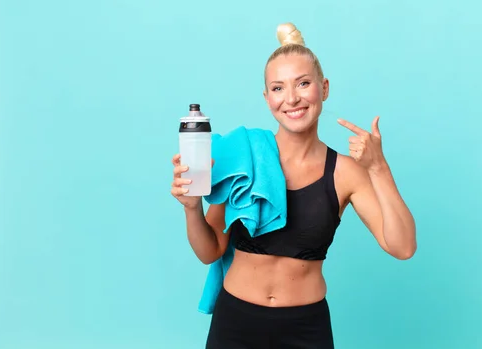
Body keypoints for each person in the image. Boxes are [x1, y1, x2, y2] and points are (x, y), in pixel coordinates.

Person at [170, 23, 416, 349]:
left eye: (303, 83)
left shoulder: (346, 172)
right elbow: (209, 251)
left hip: (305, 329)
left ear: (324, 88)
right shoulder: (244, 155)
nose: (291, 99)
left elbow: (402, 247)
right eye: (277, 88)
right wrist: (191, 209)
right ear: (266, 97)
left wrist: (378, 168)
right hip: (235, 325)